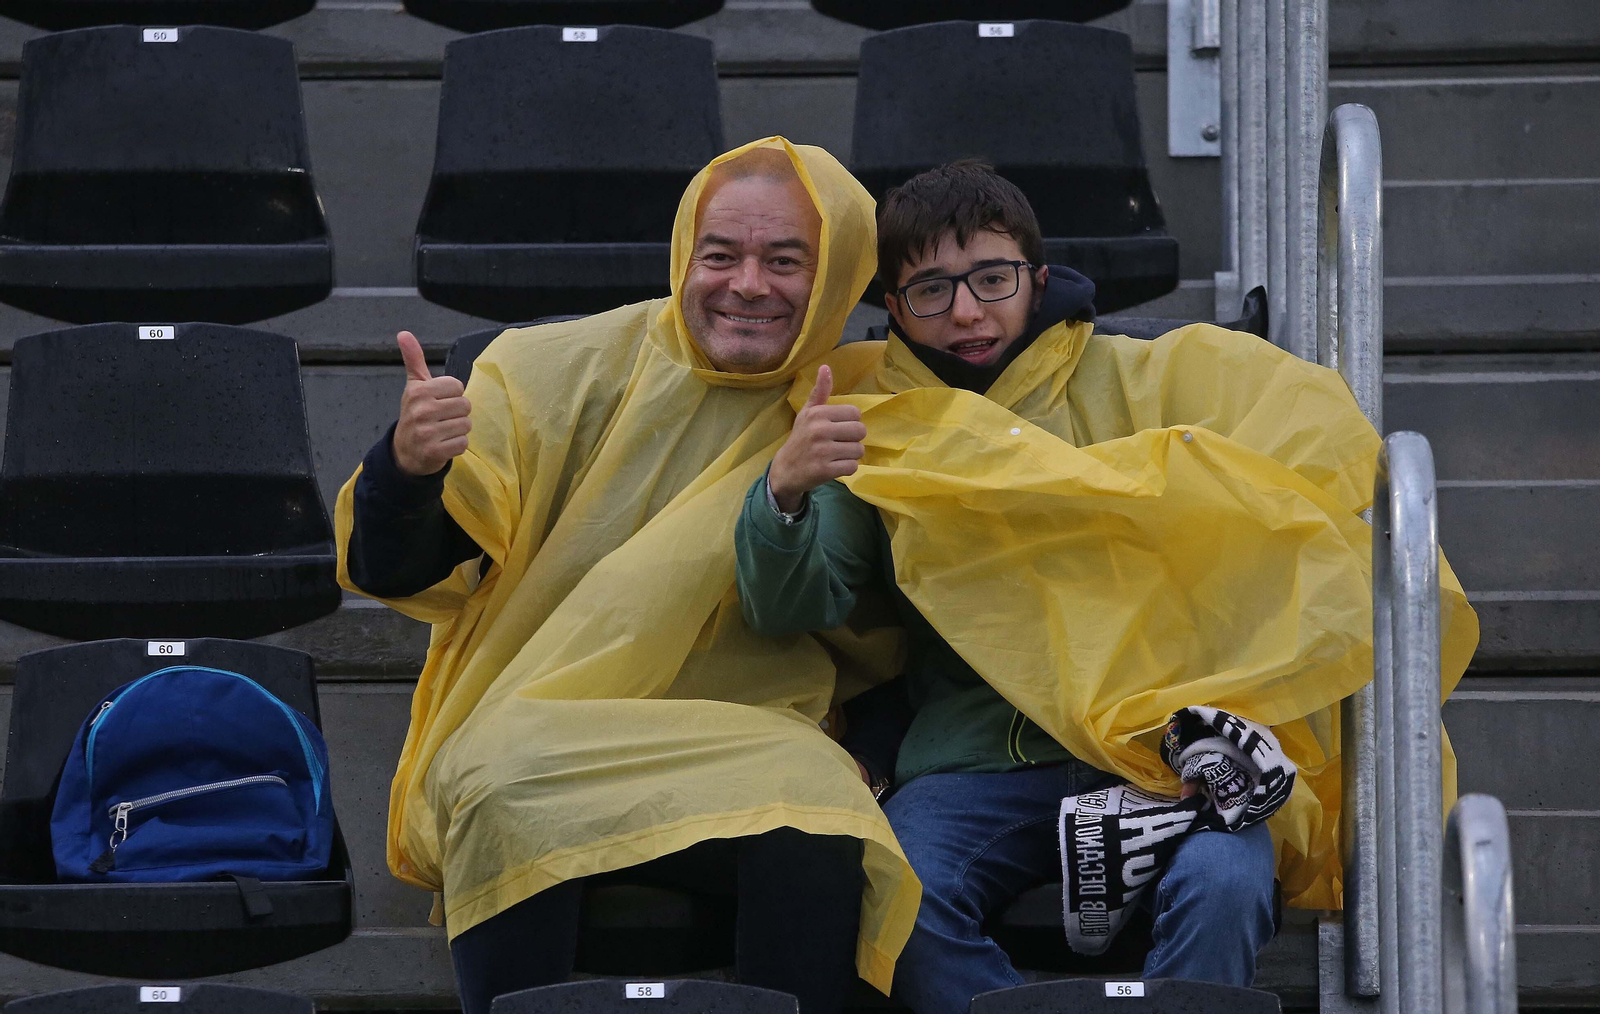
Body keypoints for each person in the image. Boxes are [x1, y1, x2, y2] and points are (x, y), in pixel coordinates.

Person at [734, 161, 1479, 1014]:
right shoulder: (875, 420)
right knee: (899, 898)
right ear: (894, 310)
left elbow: (1292, 499)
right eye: (931, 290)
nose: (967, 311)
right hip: (975, 759)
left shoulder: (1149, 382)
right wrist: (785, 494)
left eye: (991, 278)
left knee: (1227, 884)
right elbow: (793, 605)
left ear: (1038, 277)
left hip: (1167, 750)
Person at [335, 139, 920, 1014]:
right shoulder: (547, 370)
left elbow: (920, 612)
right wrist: (407, 469)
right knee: (503, 785)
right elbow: (400, 569)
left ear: (837, 274)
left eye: (784, 261)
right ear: (684, 256)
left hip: (749, 736)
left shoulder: (871, 405)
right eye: (719, 256)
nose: (748, 285)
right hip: (538, 726)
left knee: (819, 802)